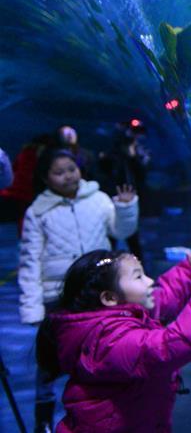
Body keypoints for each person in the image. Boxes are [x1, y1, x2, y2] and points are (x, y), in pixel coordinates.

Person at [35, 233, 191, 433]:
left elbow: (173, 288)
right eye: (138, 277)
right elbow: (173, 345)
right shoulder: (108, 342)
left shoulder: (123, 312)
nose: (150, 281)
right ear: (110, 298)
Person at [18, 149, 139, 430]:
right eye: (58, 172)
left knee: (100, 352)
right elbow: (30, 261)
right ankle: (44, 416)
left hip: (97, 290)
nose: (67, 176)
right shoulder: (37, 212)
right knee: (50, 361)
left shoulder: (98, 198)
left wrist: (125, 207)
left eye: (71, 169)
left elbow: (121, 231)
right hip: (57, 296)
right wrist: (32, 307)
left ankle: (102, 409)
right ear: (45, 178)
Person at [97, 125, 150, 260]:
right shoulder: (113, 153)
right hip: (111, 196)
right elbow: (104, 168)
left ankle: (139, 265)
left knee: (133, 237)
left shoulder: (139, 152)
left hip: (132, 196)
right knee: (111, 236)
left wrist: (133, 156)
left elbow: (142, 173)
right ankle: (107, 265)